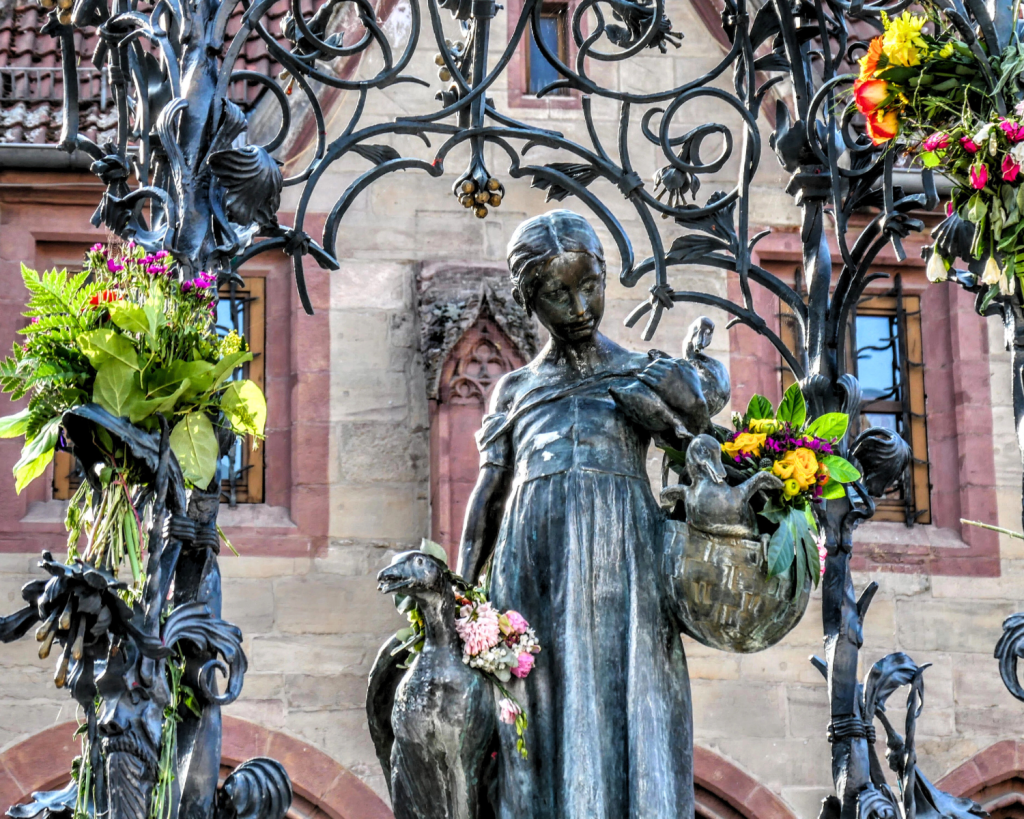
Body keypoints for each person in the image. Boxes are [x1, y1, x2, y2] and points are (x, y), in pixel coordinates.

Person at [457, 210, 707, 819]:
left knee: (629, 697)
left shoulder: (639, 373)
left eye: (588, 285)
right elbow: (489, 493)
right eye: (556, 294)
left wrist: (689, 403)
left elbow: (699, 450)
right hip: (531, 565)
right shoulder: (514, 390)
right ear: (529, 302)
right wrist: (461, 600)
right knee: (538, 717)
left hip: (622, 562)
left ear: (604, 276)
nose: (577, 306)